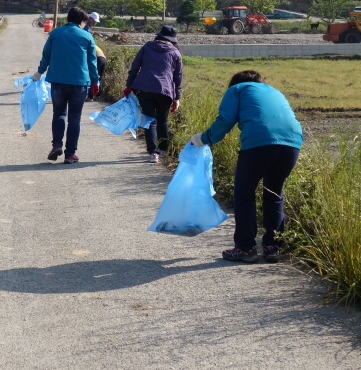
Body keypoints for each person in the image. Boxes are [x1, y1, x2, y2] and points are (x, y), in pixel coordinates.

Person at [190, 70, 303, 264]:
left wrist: (203, 139)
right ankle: (272, 247)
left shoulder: (237, 89)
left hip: (259, 142)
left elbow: (225, 120)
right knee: (274, 193)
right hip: (292, 143)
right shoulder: (275, 91)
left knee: (244, 193)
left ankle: (245, 248)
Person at [32, 7, 99, 164]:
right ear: (82, 21)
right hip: (79, 82)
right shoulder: (86, 36)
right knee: (74, 118)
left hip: (57, 81)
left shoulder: (55, 33)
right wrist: (95, 81)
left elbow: (46, 55)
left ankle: (56, 145)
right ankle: (70, 154)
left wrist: (39, 72)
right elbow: (92, 62)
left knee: (59, 114)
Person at [123, 25, 183, 163]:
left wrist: (129, 85)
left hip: (143, 88)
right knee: (162, 120)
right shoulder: (175, 52)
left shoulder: (147, 47)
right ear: (173, 39)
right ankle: (161, 150)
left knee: (149, 120)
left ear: (159, 35)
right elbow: (177, 77)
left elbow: (135, 67)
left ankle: (152, 153)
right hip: (165, 90)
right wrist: (176, 97)